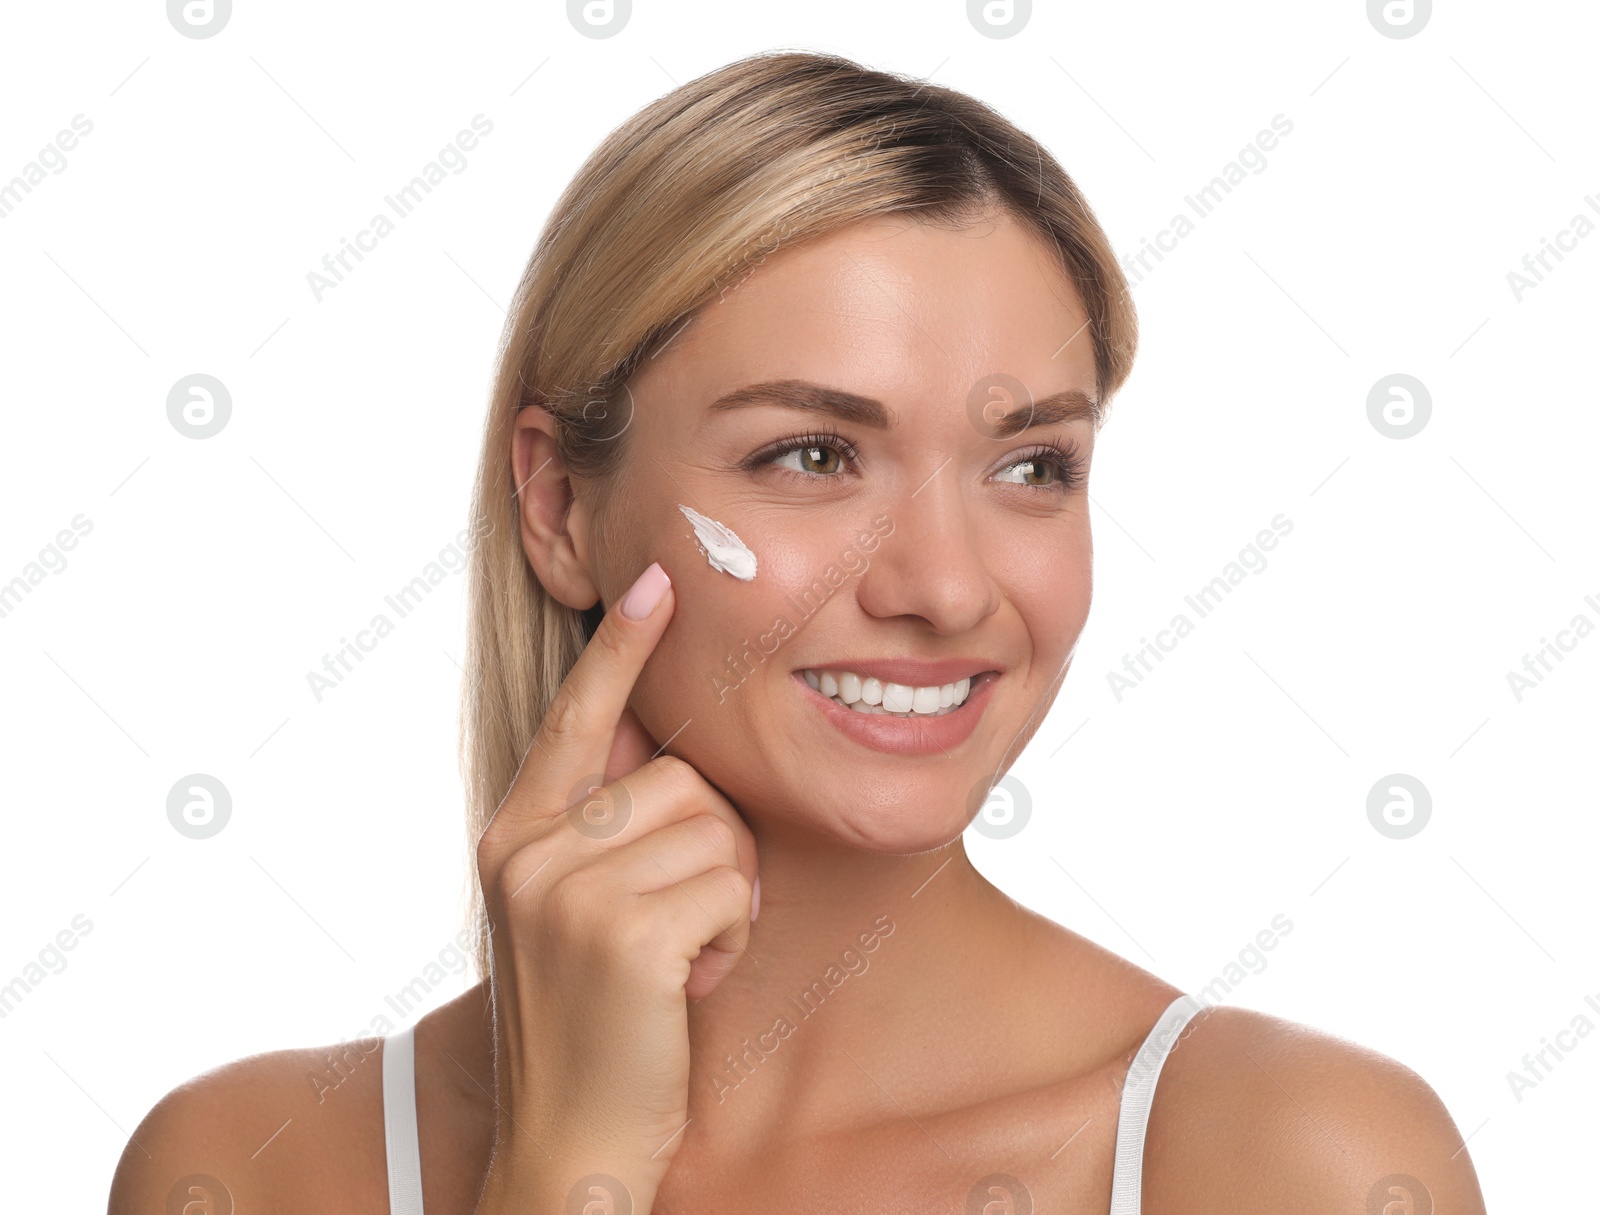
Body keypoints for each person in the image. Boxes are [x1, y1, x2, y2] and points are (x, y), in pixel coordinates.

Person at [110, 50, 1487, 1214]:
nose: (946, 589)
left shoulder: (1287, 1161)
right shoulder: (254, 1167)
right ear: (557, 503)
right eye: (816, 455)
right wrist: (566, 1164)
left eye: (1029, 467)